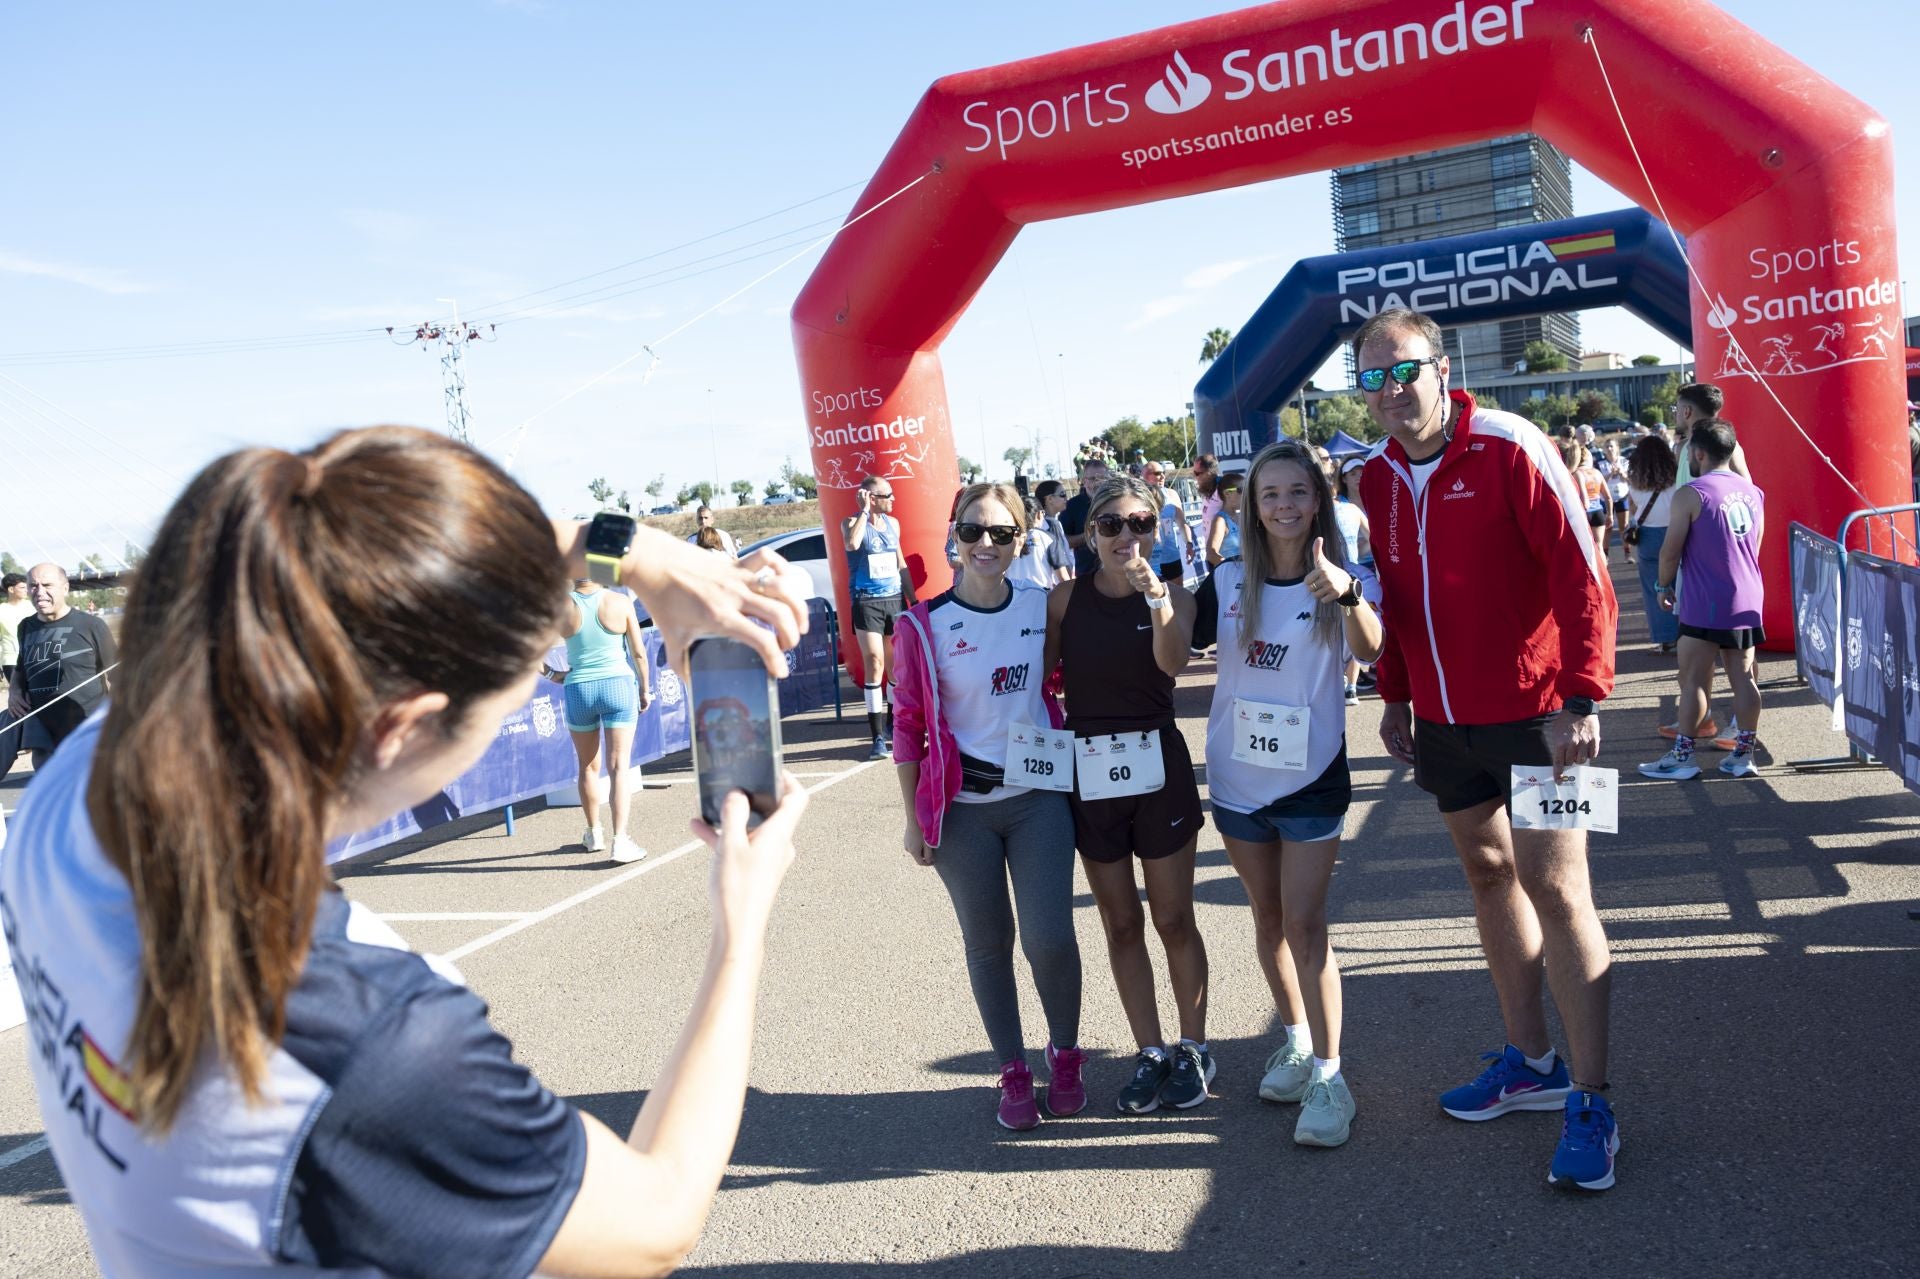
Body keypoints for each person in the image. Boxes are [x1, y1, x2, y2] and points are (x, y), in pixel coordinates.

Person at [0, 426, 818, 1278]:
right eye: (514, 691)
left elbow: (381, 548)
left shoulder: (87, 777)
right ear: (400, 728)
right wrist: (742, 928)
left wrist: (643, 555)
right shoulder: (376, 1045)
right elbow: (657, 1219)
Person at [1354, 308, 1622, 1192]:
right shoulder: (1376, 478)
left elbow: (1582, 574)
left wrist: (1583, 696)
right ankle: (1531, 1061)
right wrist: (1395, 692)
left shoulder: (1510, 442)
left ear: (1442, 366)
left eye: (1404, 372)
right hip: (1443, 722)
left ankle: (1592, 1098)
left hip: (1540, 713)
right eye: (1372, 380)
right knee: (1486, 873)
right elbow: (1394, 598)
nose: (1391, 393)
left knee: (1558, 885)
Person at [1195, 440, 1384, 1148]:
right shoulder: (1225, 580)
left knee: (1307, 923)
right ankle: (1298, 1041)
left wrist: (1351, 591)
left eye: (1297, 493)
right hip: (1238, 780)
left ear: (1318, 501)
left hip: (1311, 777)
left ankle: (1333, 1076)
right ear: (1251, 504)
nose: (1284, 505)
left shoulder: (1338, 577)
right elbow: (1160, 641)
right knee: (1267, 918)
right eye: (1270, 493)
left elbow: (1372, 650)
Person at [891, 481, 1085, 1132]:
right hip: (963, 809)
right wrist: (915, 819)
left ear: (1020, 542)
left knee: (1050, 937)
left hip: (1037, 800)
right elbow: (909, 725)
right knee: (988, 943)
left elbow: (1069, 672)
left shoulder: (1043, 605)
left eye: (1001, 534)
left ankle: (1064, 1051)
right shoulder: (923, 625)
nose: (985, 544)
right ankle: (1012, 1069)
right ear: (953, 535)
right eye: (973, 530)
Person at [1044, 476, 1209, 1114]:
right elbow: (1038, 682)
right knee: (1120, 923)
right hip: (1090, 771)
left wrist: (1159, 598)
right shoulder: (1064, 599)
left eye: (1140, 523)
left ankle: (1193, 1048)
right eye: (1111, 524)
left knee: (1172, 918)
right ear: (1090, 536)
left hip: (1158, 766)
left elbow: (1172, 664)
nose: (1127, 535)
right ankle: (1151, 1050)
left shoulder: (1180, 596)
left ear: (1156, 528)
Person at [1640, 418, 1767, 780]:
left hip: (1705, 596)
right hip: (1746, 594)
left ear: (1698, 452)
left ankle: (1683, 757)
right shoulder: (1753, 492)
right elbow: (1754, 544)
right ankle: (1744, 755)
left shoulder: (1692, 493)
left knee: (1694, 678)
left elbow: (1670, 551)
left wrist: (1664, 587)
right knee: (1744, 677)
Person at [544, 575, 653, 862]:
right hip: (617, 685)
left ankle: (594, 833)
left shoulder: (561, 606)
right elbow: (638, 653)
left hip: (579, 687)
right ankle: (621, 841)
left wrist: (552, 674)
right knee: (619, 767)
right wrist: (645, 689)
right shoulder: (619, 602)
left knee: (587, 768)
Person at [8, 562, 116, 767]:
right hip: (43, 737)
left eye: (47, 585)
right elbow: (22, 667)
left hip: (87, 734)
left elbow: (119, 677)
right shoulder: (25, 627)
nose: (39, 592)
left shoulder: (91, 626)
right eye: (33, 585)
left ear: (65, 588)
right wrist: (14, 689)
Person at [842, 474, 917, 761]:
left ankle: (892, 724)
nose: (894, 499)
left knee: (895, 666)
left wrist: (913, 598)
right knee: (874, 661)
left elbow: (900, 562)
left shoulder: (893, 524)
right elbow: (852, 544)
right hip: (867, 601)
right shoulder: (850, 523)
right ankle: (876, 738)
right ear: (872, 498)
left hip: (894, 600)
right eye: (888, 495)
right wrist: (864, 511)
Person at [1625, 435, 1686, 656]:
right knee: (1681, 583)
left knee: (1654, 589)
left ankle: (1665, 638)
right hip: (1676, 532)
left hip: (1648, 536)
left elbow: (1633, 508)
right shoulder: (1676, 477)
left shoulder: (1635, 482)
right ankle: (1686, 633)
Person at [1334, 458, 1376, 704]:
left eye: (1363, 471)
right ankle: (1349, 682)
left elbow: (1376, 534)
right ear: (1344, 478)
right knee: (1346, 627)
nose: (1359, 477)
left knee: (1361, 624)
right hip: (1348, 572)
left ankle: (1351, 684)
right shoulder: (1341, 506)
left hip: (1365, 572)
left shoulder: (1376, 496)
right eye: (1353, 473)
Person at [1561, 439, 1612, 563]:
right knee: (1599, 546)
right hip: (1598, 511)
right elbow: (1608, 497)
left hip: (1585, 512)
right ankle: (1603, 576)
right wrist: (1610, 514)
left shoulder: (1577, 473)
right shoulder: (1597, 473)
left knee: (1585, 549)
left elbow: (1584, 498)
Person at [1060, 456, 1112, 576]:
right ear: (1084, 480)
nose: (1097, 483)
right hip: (1087, 574)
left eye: (1102, 478)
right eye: (1092, 478)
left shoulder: (1117, 501)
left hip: (1117, 572)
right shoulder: (1071, 506)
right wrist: (1090, 534)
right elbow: (1063, 542)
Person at [1142, 461, 1192, 584]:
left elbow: (1182, 523)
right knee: (1153, 599)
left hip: (1171, 556)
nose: (1163, 476)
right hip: (1150, 558)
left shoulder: (1172, 494)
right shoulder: (1139, 497)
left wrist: (1189, 544)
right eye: (1158, 473)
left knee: (1178, 596)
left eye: (1164, 473)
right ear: (1145, 475)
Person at [1033, 479, 1075, 583]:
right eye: (1062, 494)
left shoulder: (1039, 523)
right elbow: (1062, 558)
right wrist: (1069, 585)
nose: (1066, 498)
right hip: (1058, 584)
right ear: (1050, 499)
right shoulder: (1052, 524)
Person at [1203, 471, 1244, 568]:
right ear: (1227, 493)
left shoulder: (1241, 516)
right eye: (1241, 490)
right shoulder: (1221, 520)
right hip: (1233, 579)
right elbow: (1211, 554)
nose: (1246, 494)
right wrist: (1233, 570)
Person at [0, 571, 30, 689]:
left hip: (33, 657)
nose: (26, 590)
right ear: (11, 590)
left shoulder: (33, 606)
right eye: (22, 587)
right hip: (11, 660)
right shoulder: (1, 610)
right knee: (19, 696)